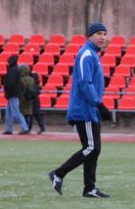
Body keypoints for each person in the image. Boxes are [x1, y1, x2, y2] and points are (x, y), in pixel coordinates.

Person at [48, 22, 113, 198]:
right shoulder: (86, 54)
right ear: (90, 35)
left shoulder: (93, 55)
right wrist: (99, 104)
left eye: (104, 34)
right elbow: (85, 83)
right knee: (92, 147)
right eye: (98, 33)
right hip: (85, 109)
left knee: (93, 148)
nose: (102, 37)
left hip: (91, 109)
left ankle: (89, 188)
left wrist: (98, 106)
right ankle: (59, 173)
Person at [2, 54, 30, 135]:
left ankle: (25, 128)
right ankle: (9, 129)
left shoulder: (12, 70)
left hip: (12, 94)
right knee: (9, 112)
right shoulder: (15, 70)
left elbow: (10, 83)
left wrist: (7, 92)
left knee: (15, 112)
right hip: (13, 94)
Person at [22, 67, 46, 134]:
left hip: (34, 102)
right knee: (32, 116)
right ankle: (31, 128)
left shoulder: (35, 86)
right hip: (34, 102)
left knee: (36, 116)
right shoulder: (35, 85)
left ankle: (41, 128)